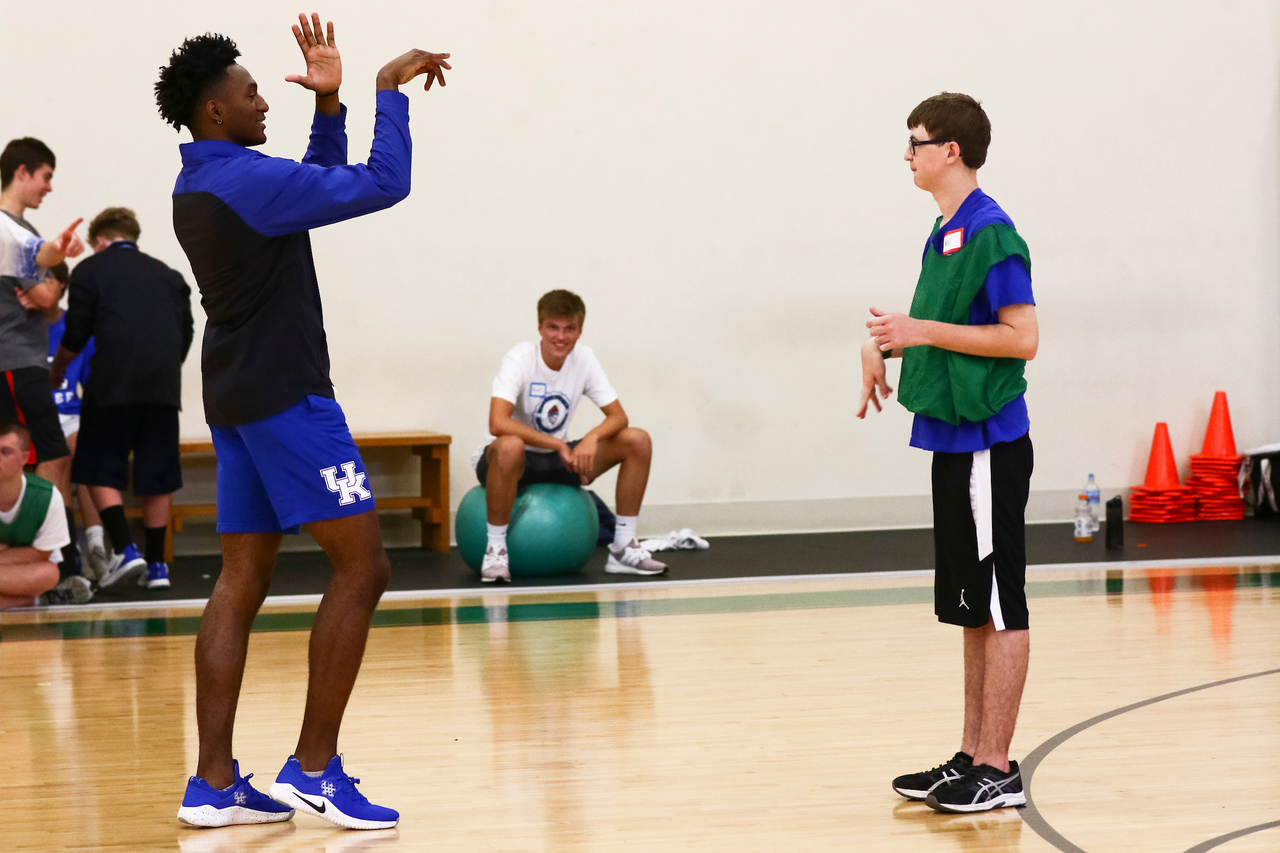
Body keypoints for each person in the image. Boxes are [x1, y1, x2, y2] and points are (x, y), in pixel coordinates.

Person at [155, 15, 449, 829]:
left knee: (240, 580)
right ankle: (314, 766)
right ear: (215, 110)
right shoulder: (245, 180)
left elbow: (305, 196)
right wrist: (385, 93)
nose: (262, 101)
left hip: (236, 398)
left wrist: (329, 108)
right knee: (365, 568)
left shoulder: (205, 179)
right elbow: (381, 184)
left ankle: (213, 781)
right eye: (250, 93)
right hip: (290, 398)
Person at [858, 93, 1038, 814]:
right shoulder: (944, 233)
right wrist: (876, 347)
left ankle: (999, 765)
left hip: (991, 442)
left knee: (1002, 602)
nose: (908, 153)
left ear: (951, 150)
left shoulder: (993, 234)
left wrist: (921, 332)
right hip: (951, 440)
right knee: (972, 607)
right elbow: (924, 322)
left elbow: (1020, 336)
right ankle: (970, 755)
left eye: (916, 141)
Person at [476, 289, 667, 583]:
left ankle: (623, 549)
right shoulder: (520, 358)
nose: (560, 336)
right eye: (553, 327)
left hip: (557, 460)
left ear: (579, 331)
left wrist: (590, 439)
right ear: (540, 328)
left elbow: (619, 416)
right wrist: (557, 443)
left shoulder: (584, 358)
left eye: (569, 329)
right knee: (511, 445)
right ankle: (496, 550)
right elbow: (497, 422)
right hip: (511, 462)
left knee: (637, 440)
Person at [51, 207, 194, 591]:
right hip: (163, 387)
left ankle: (127, 552)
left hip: (112, 383)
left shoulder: (90, 271)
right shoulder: (169, 276)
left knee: (96, 466)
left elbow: (76, 333)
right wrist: (162, 368)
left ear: (100, 241)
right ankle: (159, 567)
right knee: (157, 474)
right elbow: (186, 331)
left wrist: (58, 369)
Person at [0, 138, 87, 581]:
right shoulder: (4, 229)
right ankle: (59, 560)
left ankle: (46, 561)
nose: (49, 187)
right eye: (46, 177)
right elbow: (44, 291)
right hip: (14, 361)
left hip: (21, 360)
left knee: (40, 457)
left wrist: (52, 266)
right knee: (49, 455)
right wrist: (47, 280)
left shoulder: (21, 233)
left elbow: (49, 293)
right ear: (21, 172)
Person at [32, 264, 108, 580]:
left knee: (86, 452)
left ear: (63, 285)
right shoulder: (20, 329)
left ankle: (96, 544)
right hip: (34, 420)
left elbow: (93, 385)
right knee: (58, 458)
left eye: (50, 278)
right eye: (36, 279)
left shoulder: (75, 328)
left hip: (72, 415)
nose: (44, 285)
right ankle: (66, 549)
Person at [0, 419, 89, 608]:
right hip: (11, 573)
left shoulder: (46, 496)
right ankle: (35, 601)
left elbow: (41, 555)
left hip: (25, 572)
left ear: (24, 458)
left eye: (5, 452)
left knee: (50, 573)